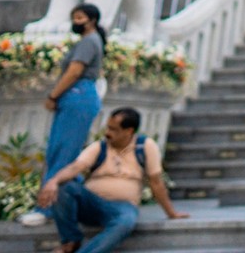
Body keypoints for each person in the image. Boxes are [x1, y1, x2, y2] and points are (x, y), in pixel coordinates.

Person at [36, 107, 189, 253]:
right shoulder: (99, 147)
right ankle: (71, 241)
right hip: (91, 203)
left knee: (126, 222)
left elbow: (156, 182)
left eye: (114, 129)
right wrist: (53, 181)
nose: (107, 133)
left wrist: (171, 213)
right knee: (65, 188)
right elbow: (76, 167)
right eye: (108, 127)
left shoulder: (145, 147)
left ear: (129, 131)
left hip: (122, 207)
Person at [21, 3, 107, 228]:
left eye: (79, 17)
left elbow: (75, 71)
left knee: (63, 153)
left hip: (77, 95)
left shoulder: (89, 41)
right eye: (74, 17)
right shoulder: (90, 40)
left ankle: (47, 208)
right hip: (78, 97)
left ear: (92, 20)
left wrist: (53, 95)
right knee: (62, 152)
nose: (75, 22)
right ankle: (71, 207)